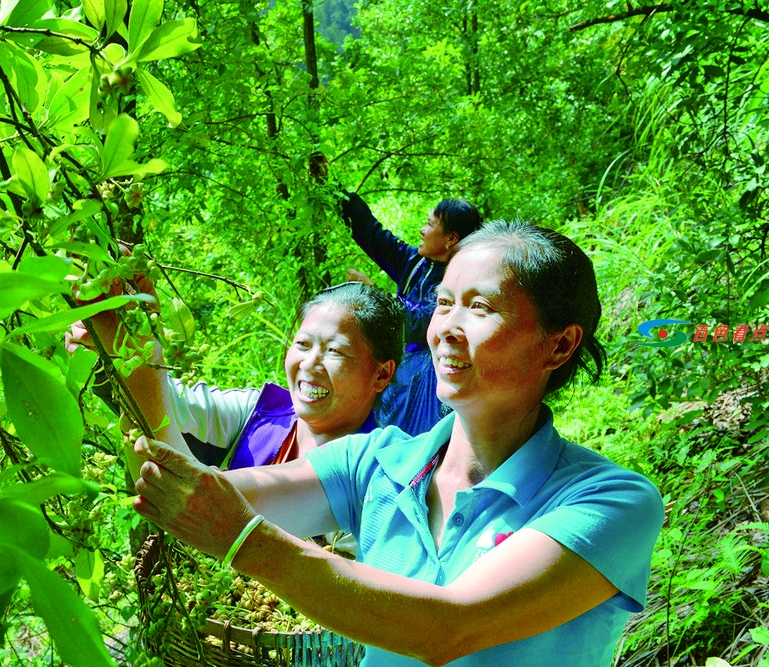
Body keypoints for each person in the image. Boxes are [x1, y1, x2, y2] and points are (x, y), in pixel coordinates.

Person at [128, 221, 665, 666]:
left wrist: (246, 542)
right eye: (443, 303)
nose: (447, 327)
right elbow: (199, 498)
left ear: (560, 344)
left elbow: (448, 628)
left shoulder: (608, 502)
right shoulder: (376, 461)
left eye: (479, 308)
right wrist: (131, 349)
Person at [69, 280, 405, 472]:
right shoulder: (260, 414)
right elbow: (161, 404)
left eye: (334, 351)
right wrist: (122, 339)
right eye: (303, 344)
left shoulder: (381, 469)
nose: (310, 364)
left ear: (382, 373)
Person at [341, 190, 483, 435]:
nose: (422, 230)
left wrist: (372, 292)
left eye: (429, 224)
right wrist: (334, 190)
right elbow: (372, 233)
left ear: (451, 239)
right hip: (397, 367)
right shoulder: (415, 262)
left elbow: (419, 325)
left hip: (426, 383)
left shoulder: (458, 282)